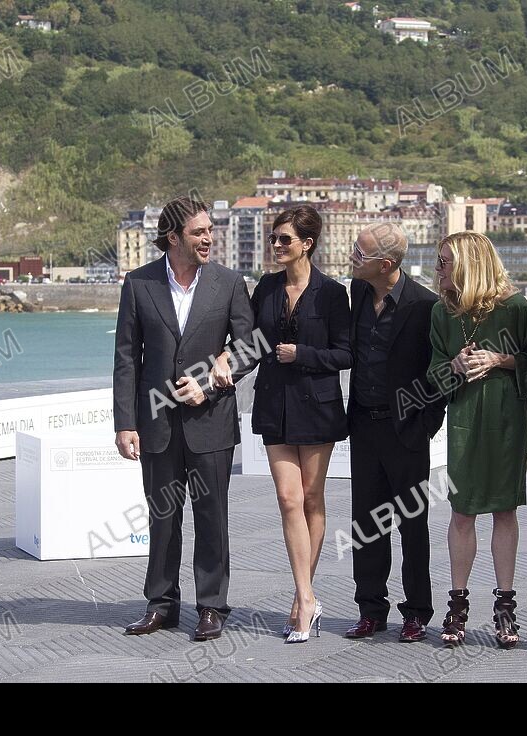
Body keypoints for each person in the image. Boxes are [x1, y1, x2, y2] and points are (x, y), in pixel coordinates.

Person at [113, 195, 256, 641]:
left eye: (211, 231)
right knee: (163, 517)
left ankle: (212, 606)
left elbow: (250, 346)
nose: (209, 239)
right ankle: (162, 605)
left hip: (211, 421)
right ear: (173, 237)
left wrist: (213, 382)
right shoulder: (138, 284)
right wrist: (124, 422)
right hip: (155, 425)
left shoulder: (229, 282)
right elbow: (125, 359)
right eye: (199, 232)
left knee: (211, 516)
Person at [219, 205, 351, 643]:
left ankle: (303, 599)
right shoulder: (267, 289)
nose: (276, 246)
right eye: (274, 238)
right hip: (274, 405)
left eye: (284, 240)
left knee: (312, 498)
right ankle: (307, 595)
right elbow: (253, 345)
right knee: (287, 499)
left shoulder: (332, 293)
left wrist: (304, 355)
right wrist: (222, 363)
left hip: (318, 406)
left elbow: (346, 353)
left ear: (306, 244)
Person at [427, 231, 527, 648]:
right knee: (462, 512)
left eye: (444, 261)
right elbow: (432, 376)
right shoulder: (443, 313)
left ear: (469, 263)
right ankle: (457, 606)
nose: (438, 270)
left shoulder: (514, 308)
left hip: (506, 420)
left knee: (505, 510)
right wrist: (455, 365)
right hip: (464, 422)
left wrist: (500, 358)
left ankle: (505, 606)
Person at [343, 222, 447, 644]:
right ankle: (371, 610)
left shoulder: (425, 305)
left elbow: (439, 373)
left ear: (385, 264)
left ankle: (417, 612)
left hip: (406, 431)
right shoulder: (356, 294)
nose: (352, 257)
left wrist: (423, 425)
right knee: (366, 524)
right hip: (363, 426)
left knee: (411, 524)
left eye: (359, 253)